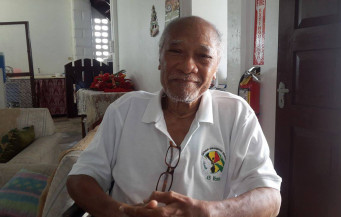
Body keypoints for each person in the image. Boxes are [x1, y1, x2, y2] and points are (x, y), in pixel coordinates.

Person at [67, 16, 282, 217]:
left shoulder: (236, 114)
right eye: (176, 51)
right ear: (160, 58)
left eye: (203, 56)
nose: (188, 66)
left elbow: (270, 197)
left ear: (215, 68)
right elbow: (80, 178)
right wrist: (121, 212)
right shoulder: (125, 110)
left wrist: (211, 211)